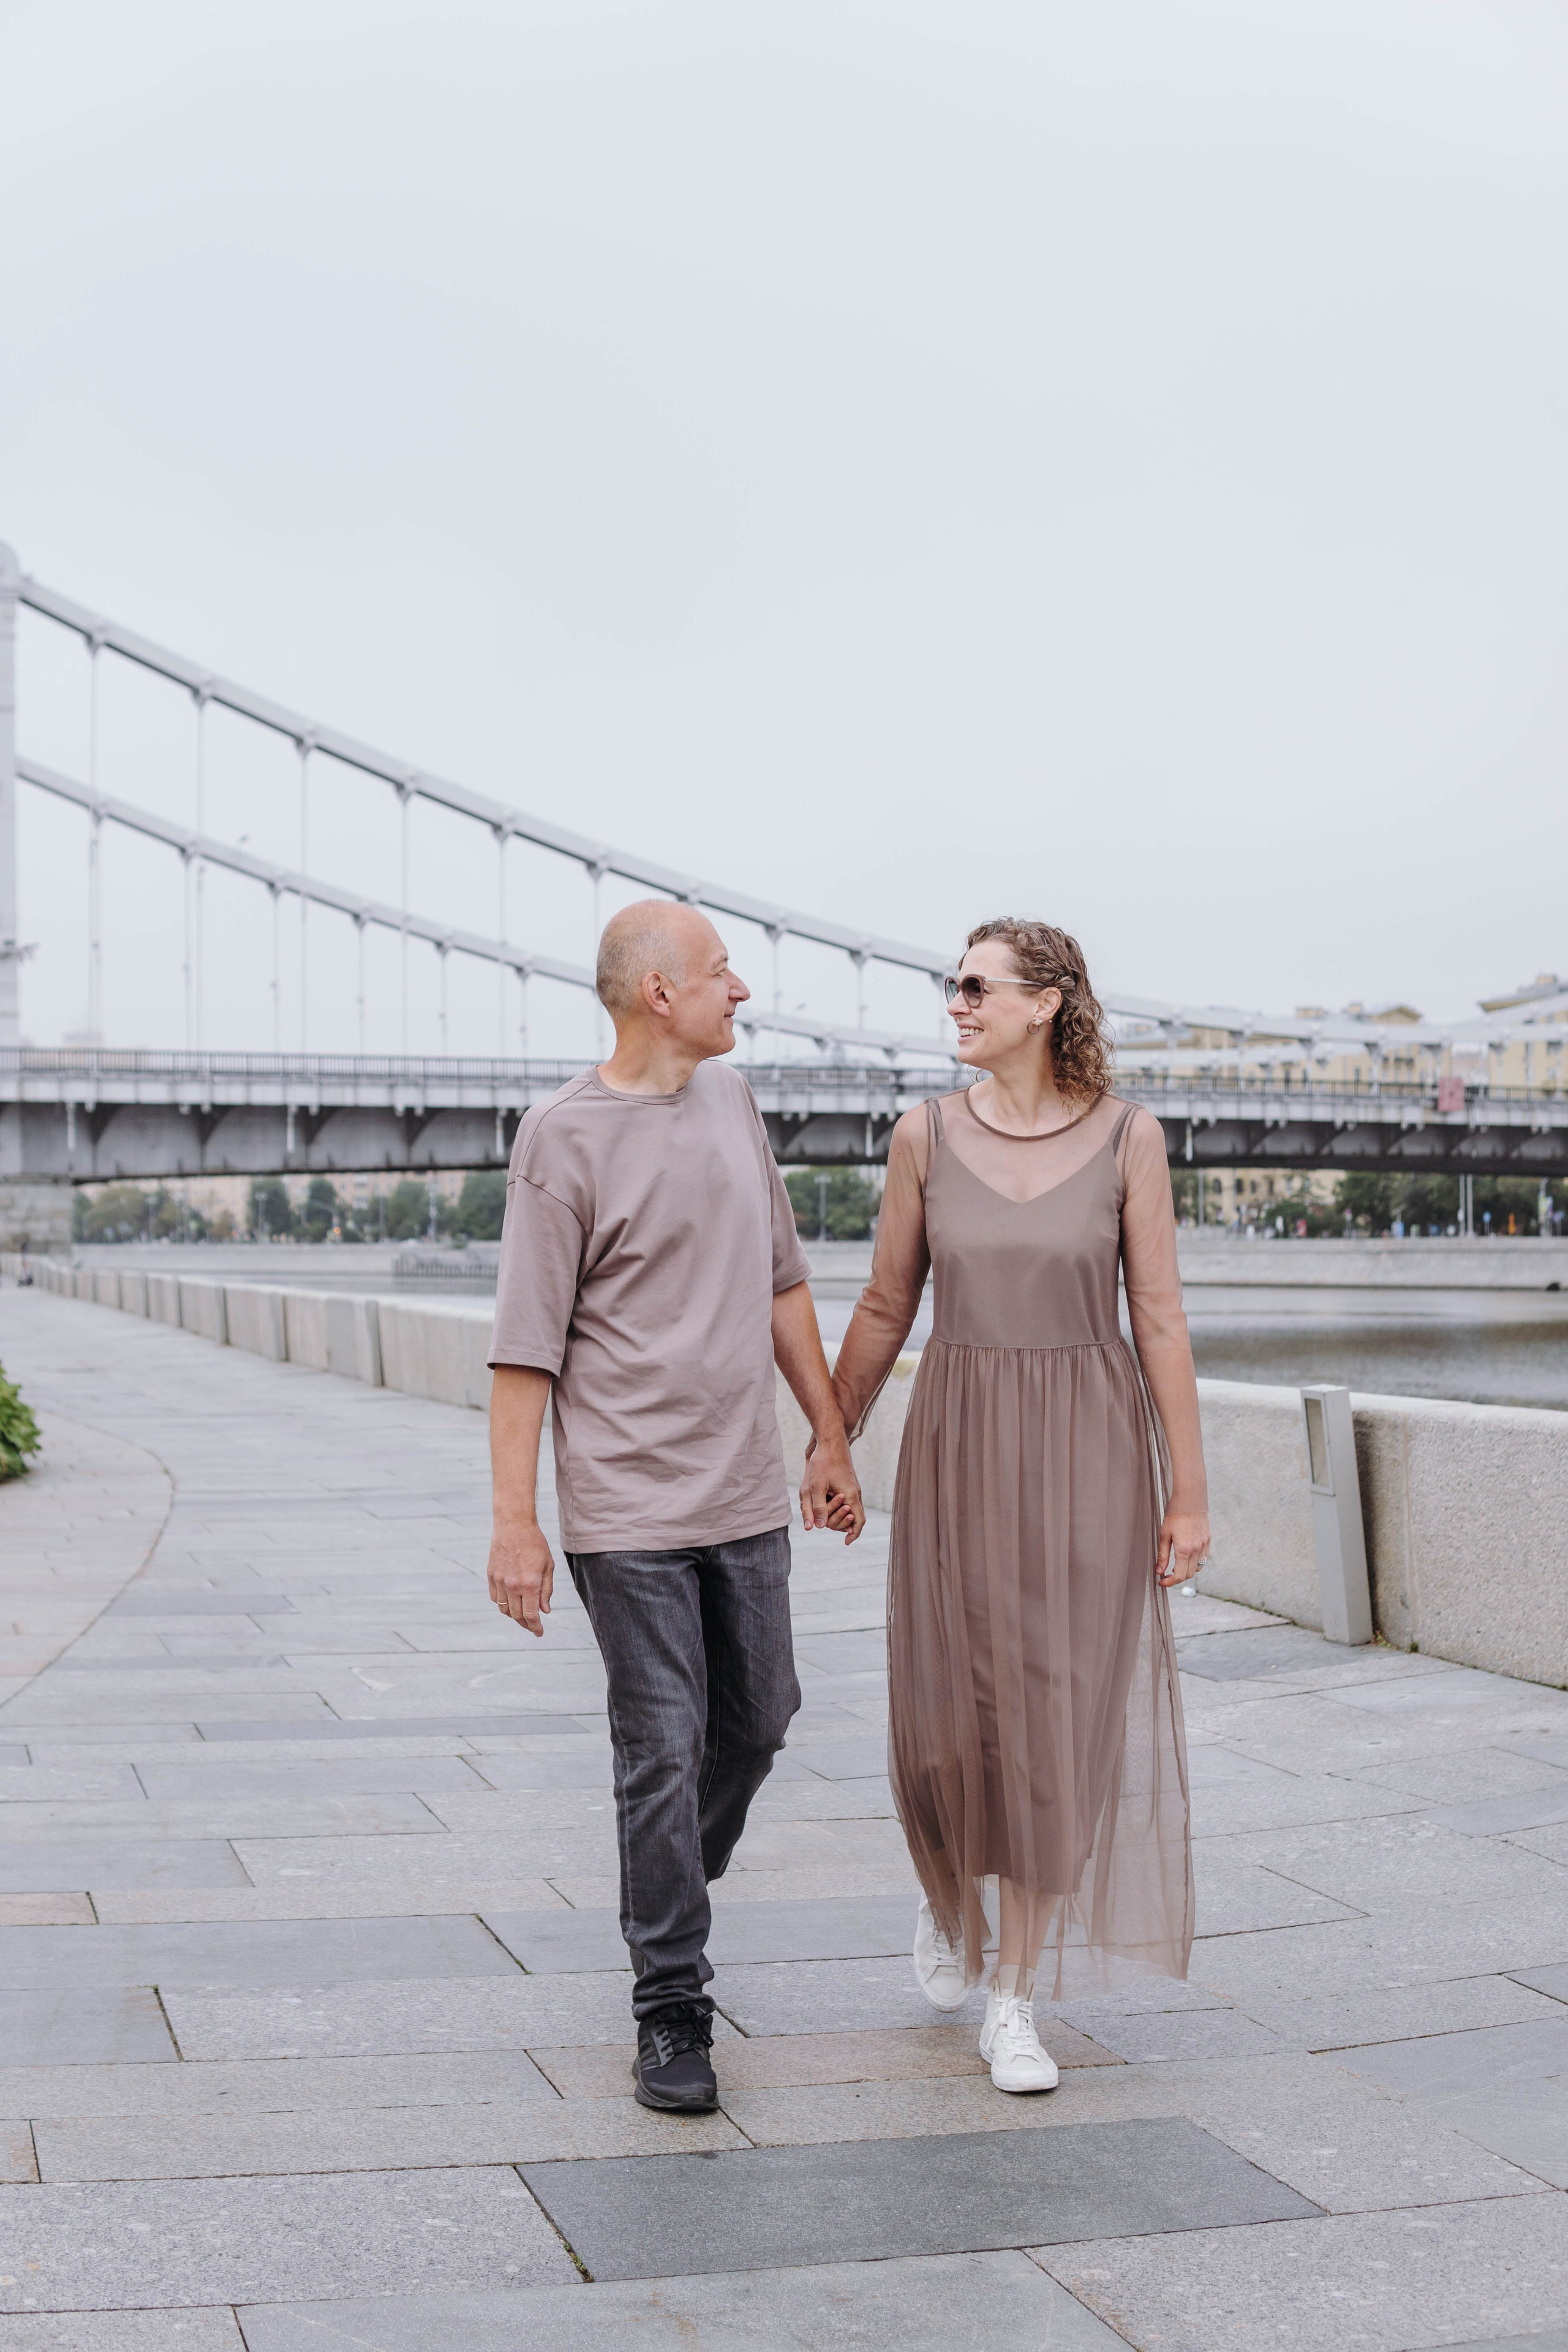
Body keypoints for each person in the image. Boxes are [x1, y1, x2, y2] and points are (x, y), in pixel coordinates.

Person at [486, 900, 864, 2115]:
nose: (739, 988)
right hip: (627, 1507)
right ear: (658, 992)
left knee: (756, 1725)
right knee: (659, 1748)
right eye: (718, 973)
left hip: (744, 1488)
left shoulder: (733, 1104)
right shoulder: (561, 1137)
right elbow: (523, 1352)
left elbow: (782, 1281)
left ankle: (663, 1894)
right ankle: (670, 2010)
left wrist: (830, 1432)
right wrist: (515, 1522)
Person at [829, 917, 1207, 2095]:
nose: (956, 1004)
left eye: (976, 987)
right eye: (954, 987)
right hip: (958, 1443)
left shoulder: (1131, 1139)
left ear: (1045, 1003)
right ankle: (949, 1900)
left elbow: (1159, 1320)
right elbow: (889, 1307)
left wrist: (1188, 1494)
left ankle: (1015, 1998)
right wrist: (830, 1439)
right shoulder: (923, 1137)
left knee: (1054, 1730)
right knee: (944, 1720)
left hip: (1091, 1450)